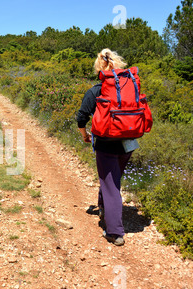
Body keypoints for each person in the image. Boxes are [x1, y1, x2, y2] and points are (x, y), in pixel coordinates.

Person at [76, 48, 134, 246]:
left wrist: (85, 136)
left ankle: (115, 232)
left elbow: (81, 116)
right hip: (129, 142)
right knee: (111, 179)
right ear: (118, 64)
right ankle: (103, 208)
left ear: (99, 67)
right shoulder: (130, 85)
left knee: (111, 186)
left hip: (106, 144)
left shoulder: (96, 90)